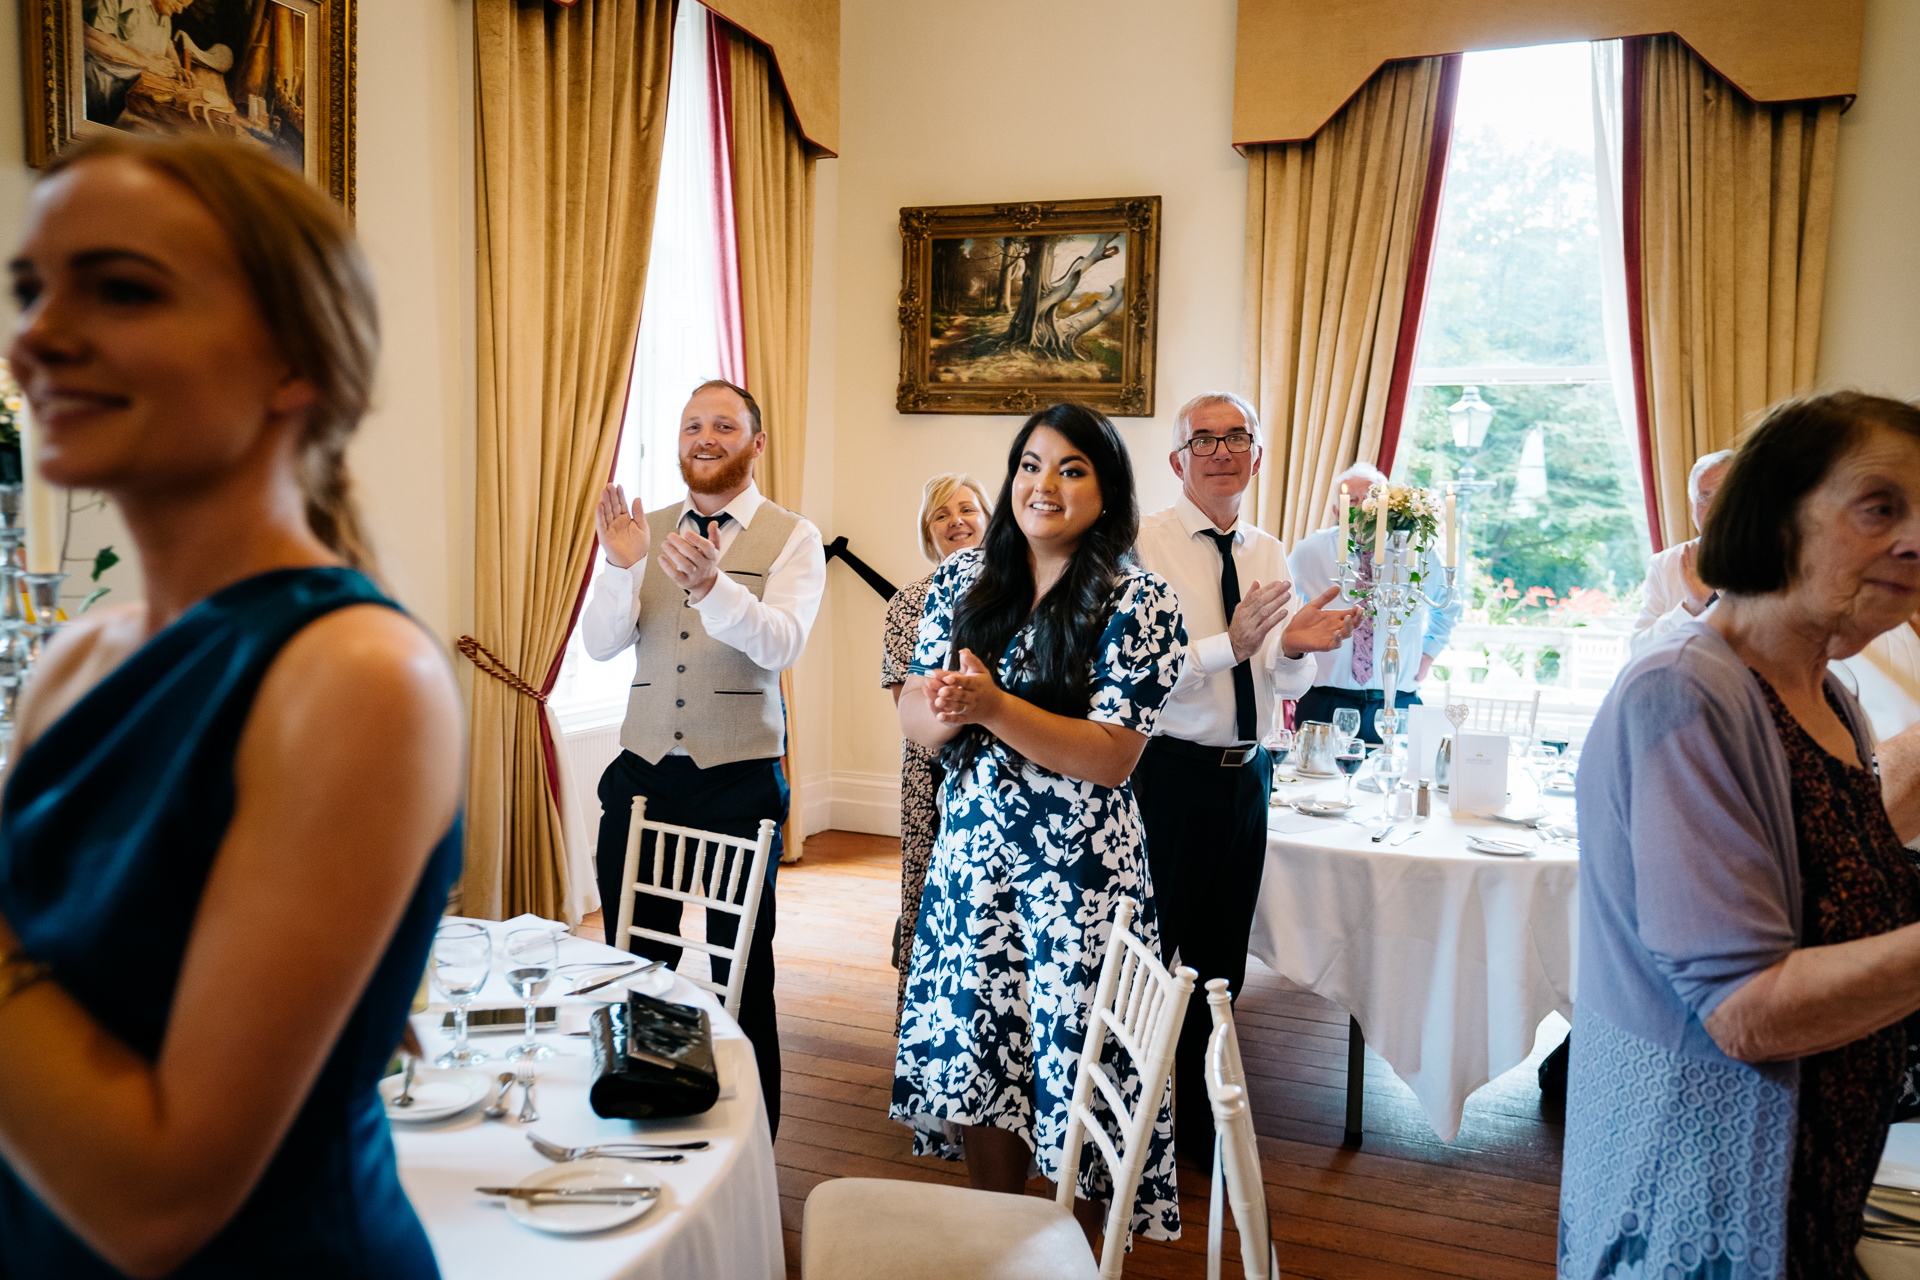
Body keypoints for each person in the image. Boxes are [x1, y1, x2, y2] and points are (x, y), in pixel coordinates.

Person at [0, 135, 463, 1277]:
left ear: (292, 363)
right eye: (28, 288)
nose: (37, 336)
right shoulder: (79, 658)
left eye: (121, 289)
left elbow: (163, 1202)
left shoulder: (355, 674)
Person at [1559, 391, 1920, 1277]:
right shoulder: (1683, 689)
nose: (1916, 539)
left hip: (1813, 1171)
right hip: (1704, 1190)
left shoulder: (1828, 695)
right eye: (1881, 507)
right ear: (1775, 516)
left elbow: (1846, 873)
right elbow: (1747, 1011)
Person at [892, 403, 1186, 1244]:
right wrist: (950, 708)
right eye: (1029, 464)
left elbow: (1109, 756)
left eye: (1070, 468)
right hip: (973, 864)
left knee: (1079, 1070)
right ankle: (997, 1241)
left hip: (1081, 882)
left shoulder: (1139, 598)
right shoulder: (961, 582)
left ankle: (1078, 1254)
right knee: (983, 1054)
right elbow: (916, 717)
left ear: (1108, 490)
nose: (1042, 485)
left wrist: (992, 703)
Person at [581, 378, 824, 1139]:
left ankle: (753, 1137)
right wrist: (623, 568)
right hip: (643, 776)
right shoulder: (640, 531)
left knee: (742, 968)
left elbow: (781, 643)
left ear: (755, 444)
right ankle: (649, 1110)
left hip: (739, 782)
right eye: (691, 425)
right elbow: (600, 644)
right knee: (635, 956)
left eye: (724, 425)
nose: (704, 437)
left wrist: (716, 586)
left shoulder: (793, 537)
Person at [1130, 391, 1358, 1156]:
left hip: (1248, 775)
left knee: (1221, 959)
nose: (1222, 451)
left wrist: (1293, 649)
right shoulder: (1140, 544)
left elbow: (1278, 685)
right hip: (1166, 772)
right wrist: (1229, 642)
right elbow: (1139, 675)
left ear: (1259, 456)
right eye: (1205, 440)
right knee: (1149, 951)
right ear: (1177, 460)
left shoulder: (1267, 550)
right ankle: (1130, 1115)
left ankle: (1198, 1120)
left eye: (1238, 438)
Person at [880, 472, 990, 1027]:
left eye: (968, 509)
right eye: (942, 515)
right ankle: (922, 1031)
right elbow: (913, 709)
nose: (957, 523)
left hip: (1012, 774)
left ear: (991, 521)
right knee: (928, 901)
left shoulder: (1024, 593)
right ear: (929, 533)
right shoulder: (907, 606)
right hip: (933, 775)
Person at [1287, 462, 1460, 742]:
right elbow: (1279, 603)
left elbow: (1449, 604)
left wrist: (1428, 653)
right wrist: (1293, 653)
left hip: (1398, 702)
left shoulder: (1416, 551)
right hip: (1326, 701)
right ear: (1336, 512)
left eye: (1371, 499)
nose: (1362, 509)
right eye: (1351, 501)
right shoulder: (1311, 551)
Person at [1630, 448, 1735, 652]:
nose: (1715, 508)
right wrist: (1690, 607)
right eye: (1704, 497)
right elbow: (1638, 651)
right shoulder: (1664, 565)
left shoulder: (1775, 561)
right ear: (1691, 505)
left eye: (1725, 496)